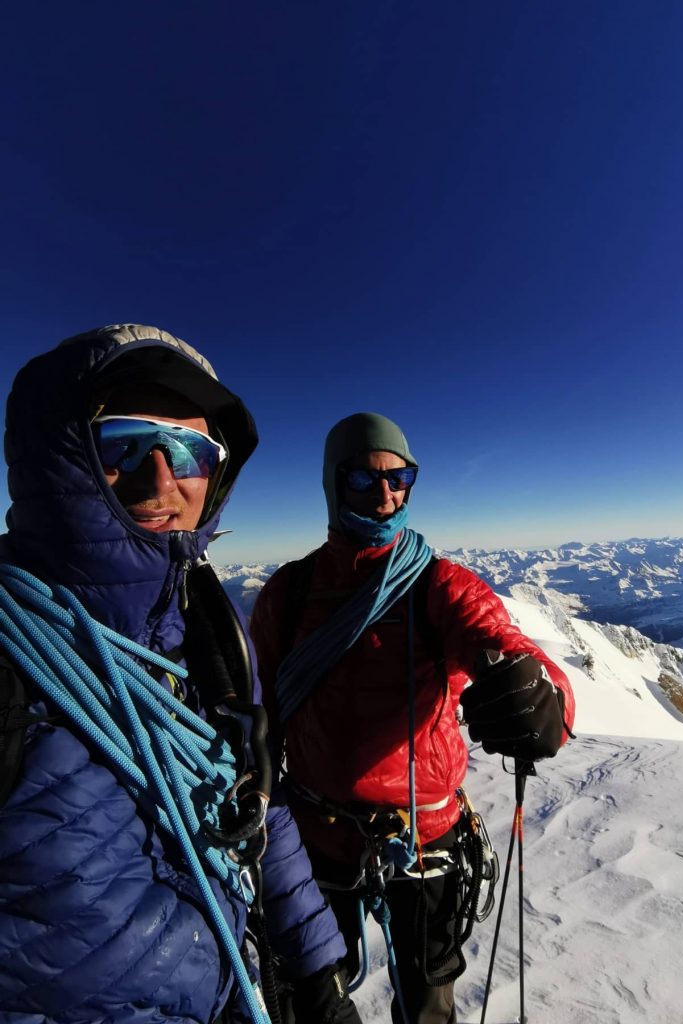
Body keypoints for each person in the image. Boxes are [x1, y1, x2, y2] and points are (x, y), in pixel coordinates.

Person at [0, 325, 362, 1024]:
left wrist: (318, 970)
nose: (161, 478)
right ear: (60, 454)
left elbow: (257, 801)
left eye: (190, 450)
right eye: (124, 443)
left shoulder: (207, 624)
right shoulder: (14, 655)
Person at [250, 412, 576, 1024]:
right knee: (311, 1003)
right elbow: (256, 707)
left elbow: (504, 644)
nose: (385, 494)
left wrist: (543, 697)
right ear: (333, 484)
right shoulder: (288, 596)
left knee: (426, 1008)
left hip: (421, 837)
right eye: (363, 478)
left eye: (399, 478)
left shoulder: (438, 587)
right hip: (315, 837)